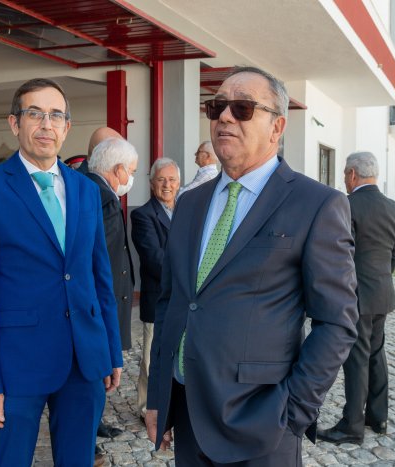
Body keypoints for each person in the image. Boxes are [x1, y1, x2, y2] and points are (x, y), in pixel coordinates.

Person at [145, 66, 358, 466]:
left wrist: (292, 413)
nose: (225, 117)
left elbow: (337, 322)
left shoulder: (316, 204)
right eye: (217, 107)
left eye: (242, 108)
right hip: (188, 413)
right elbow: (172, 302)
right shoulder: (190, 203)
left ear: (277, 127)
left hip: (262, 424)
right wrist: (159, 397)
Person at [0, 78, 122, 466]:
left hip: (84, 361)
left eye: (56, 115)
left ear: (67, 126)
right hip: (17, 364)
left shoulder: (85, 190)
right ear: (15, 123)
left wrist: (111, 349)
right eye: (35, 114)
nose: (47, 124)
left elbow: (100, 276)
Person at [317, 152, 395, 445]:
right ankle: (378, 418)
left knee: (356, 361)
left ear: (352, 174)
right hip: (382, 293)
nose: (345, 179)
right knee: (376, 354)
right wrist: (379, 278)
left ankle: (352, 426)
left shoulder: (346, 204)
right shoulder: (393, 207)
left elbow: (341, 255)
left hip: (356, 296)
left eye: (345, 174)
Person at [130, 158, 180, 420]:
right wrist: (187, 276)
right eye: (161, 180)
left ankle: (173, 403)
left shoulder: (186, 210)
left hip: (183, 298)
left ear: (179, 183)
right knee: (152, 357)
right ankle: (146, 408)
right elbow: (153, 258)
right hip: (158, 297)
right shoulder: (143, 215)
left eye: (171, 179)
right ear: (151, 183)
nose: (167, 185)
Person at [86, 137, 137, 352]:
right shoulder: (107, 199)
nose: (131, 178)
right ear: (118, 170)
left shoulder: (83, 186)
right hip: (103, 301)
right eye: (131, 171)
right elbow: (99, 255)